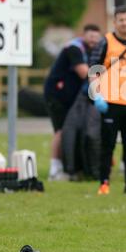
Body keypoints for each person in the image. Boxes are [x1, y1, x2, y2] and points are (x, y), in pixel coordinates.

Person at [89, 6, 126, 196]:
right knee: (108, 145)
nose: (124, 23)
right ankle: (104, 183)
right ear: (115, 22)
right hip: (110, 102)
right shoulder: (105, 41)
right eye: (121, 20)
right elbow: (94, 70)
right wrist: (97, 95)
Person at [44, 24, 101, 180]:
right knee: (61, 130)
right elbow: (85, 73)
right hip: (57, 96)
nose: (94, 41)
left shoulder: (90, 51)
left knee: (72, 130)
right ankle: (54, 169)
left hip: (70, 97)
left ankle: (70, 167)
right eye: (91, 37)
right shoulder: (74, 48)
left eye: (96, 38)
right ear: (83, 35)